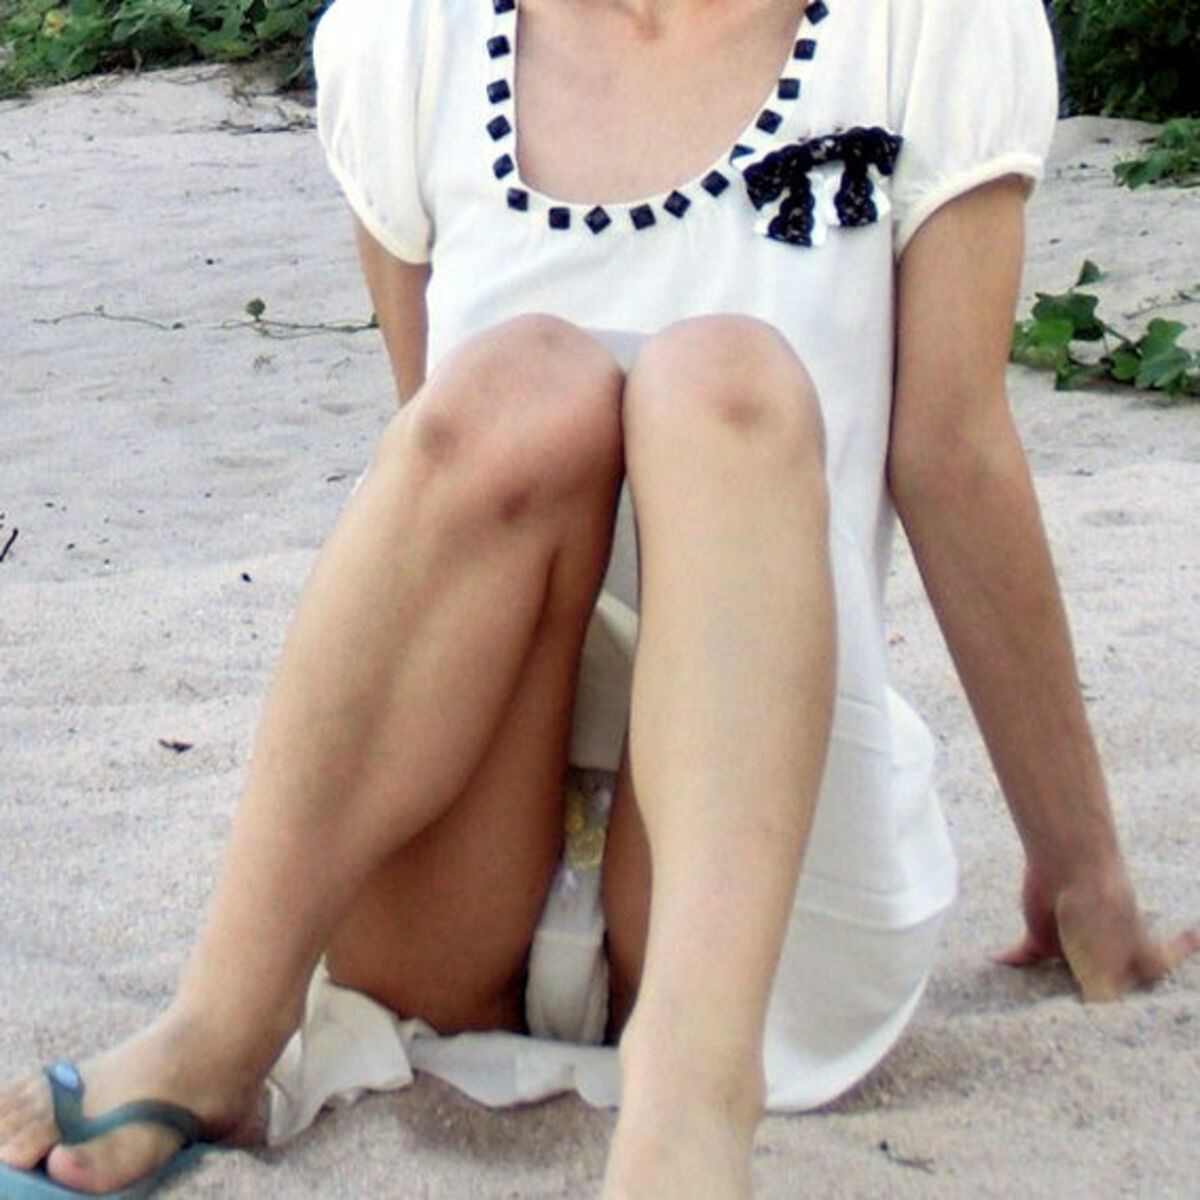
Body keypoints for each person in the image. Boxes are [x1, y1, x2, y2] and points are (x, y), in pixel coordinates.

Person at [1, 0, 1196, 1196]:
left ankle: (690, 1103)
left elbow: (954, 456)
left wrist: (1083, 873)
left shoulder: (928, 25)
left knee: (724, 381)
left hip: (752, 901)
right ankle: (220, 1024)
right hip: (460, 876)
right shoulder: (404, 35)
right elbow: (438, 488)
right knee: (517, 385)